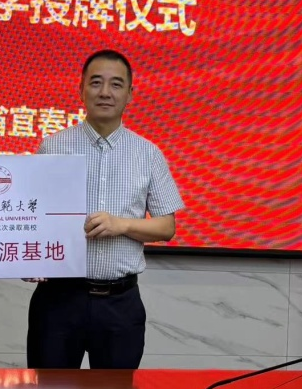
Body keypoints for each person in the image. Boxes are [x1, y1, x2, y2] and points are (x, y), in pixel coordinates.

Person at [25, 49, 184, 370]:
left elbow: (166, 227)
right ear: (81, 89)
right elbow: (30, 215)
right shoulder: (53, 146)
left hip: (119, 304)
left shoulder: (148, 154)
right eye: (96, 83)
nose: (105, 92)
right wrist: (30, 257)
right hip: (58, 300)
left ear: (130, 94)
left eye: (116, 84)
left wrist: (122, 225)